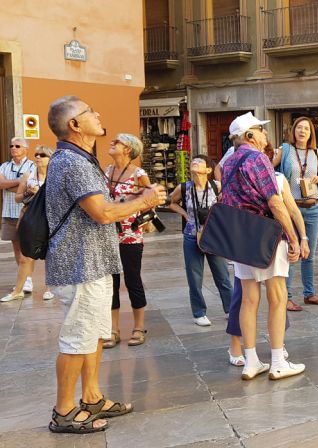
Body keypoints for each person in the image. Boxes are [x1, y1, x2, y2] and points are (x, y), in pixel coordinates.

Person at [45, 96, 166, 432]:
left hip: (94, 263)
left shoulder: (82, 159)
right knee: (77, 339)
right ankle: (64, 411)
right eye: (89, 112)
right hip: (79, 265)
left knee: (95, 334)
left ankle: (92, 396)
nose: (98, 114)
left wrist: (133, 203)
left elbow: (104, 207)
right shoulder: (72, 162)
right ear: (74, 125)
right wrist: (144, 200)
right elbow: (102, 212)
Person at [222, 112, 305, 380]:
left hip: (240, 237)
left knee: (248, 300)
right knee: (278, 297)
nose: (265, 135)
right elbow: (275, 201)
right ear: (249, 135)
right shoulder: (257, 158)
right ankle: (278, 360)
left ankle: (251, 361)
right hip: (267, 235)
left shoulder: (228, 162)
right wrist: (293, 237)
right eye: (261, 130)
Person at [168, 155, 233, 327]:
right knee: (194, 277)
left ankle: (231, 310)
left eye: (199, 162)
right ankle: (199, 313)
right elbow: (171, 203)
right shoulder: (183, 188)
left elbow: (226, 202)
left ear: (208, 170)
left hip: (213, 235)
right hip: (191, 234)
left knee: (223, 275)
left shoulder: (216, 186)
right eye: (193, 162)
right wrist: (184, 214)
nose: (194, 163)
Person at [102, 134, 152, 348]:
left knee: (132, 279)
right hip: (107, 234)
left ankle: (139, 327)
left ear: (128, 150)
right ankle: (113, 330)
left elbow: (150, 201)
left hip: (130, 234)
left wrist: (133, 210)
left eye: (117, 142)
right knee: (111, 283)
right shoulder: (106, 171)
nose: (112, 143)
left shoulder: (138, 174)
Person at [274, 117, 318, 311]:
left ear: (311, 132)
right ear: (294, 131)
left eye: (306, 128)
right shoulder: (285, 150)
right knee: (293, 252)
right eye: (299, 128)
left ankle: (309, 293)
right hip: (291, 208)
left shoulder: (315, 152)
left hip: (313, 209)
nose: (302, 131)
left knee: (309, 254)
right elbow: (268, 168)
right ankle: (286, 297)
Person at [8, 145, 55, 301]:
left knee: (51, 255)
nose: (38, 157)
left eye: (42, 155)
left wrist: (39, 192)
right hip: (31, 218)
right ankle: (18, 290)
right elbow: (18, 198)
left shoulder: (55, 176)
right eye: (36, 155)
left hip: (50, 218)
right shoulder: (29, 175)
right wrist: (28, 192)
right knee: (25, 256)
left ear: (50, 158)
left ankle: (50, 288)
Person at [0, 137, 35, 302]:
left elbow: (31, 187)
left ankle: (28, 279)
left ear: (25, 149)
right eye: (11, 145)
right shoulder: (4, 166)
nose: (13, 148)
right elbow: (1, 185)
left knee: (27, 249)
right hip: (9, 212)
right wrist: (21, 182)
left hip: (26, 212)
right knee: (15, 247)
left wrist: (11, 185)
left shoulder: (32, 166)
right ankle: (24, 279)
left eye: (17, 146)